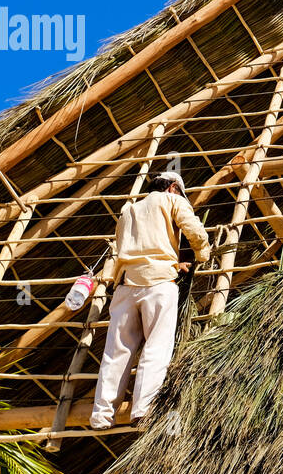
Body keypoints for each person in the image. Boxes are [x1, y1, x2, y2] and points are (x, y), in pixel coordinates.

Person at [89, 171, 211, 430]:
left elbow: (133, 245)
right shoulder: (172, 201)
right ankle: (142, 409)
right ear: (173, 187)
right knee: (156, 347)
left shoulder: (128, 210)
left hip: (125, 285)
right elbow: (194, 230)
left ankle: (101, 414)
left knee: (116, 352)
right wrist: (202, 254)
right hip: (158, 285)